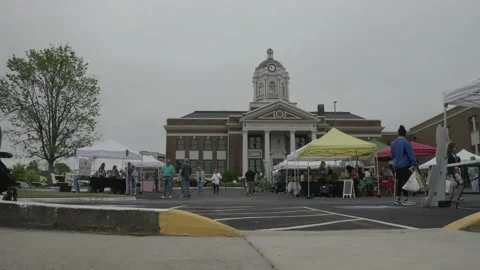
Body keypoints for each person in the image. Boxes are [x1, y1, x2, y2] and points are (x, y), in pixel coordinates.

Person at [391, 125, 417, 206]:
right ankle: (405, 199)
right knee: (405, 182)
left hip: (396, 165)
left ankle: (398, 198)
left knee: (399, 181)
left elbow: (392, 155)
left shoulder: (393, 143)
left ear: (398, 133)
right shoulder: (406, 142)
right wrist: (415, 163)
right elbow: (411, 154)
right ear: (405, 134)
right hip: (405, 164)